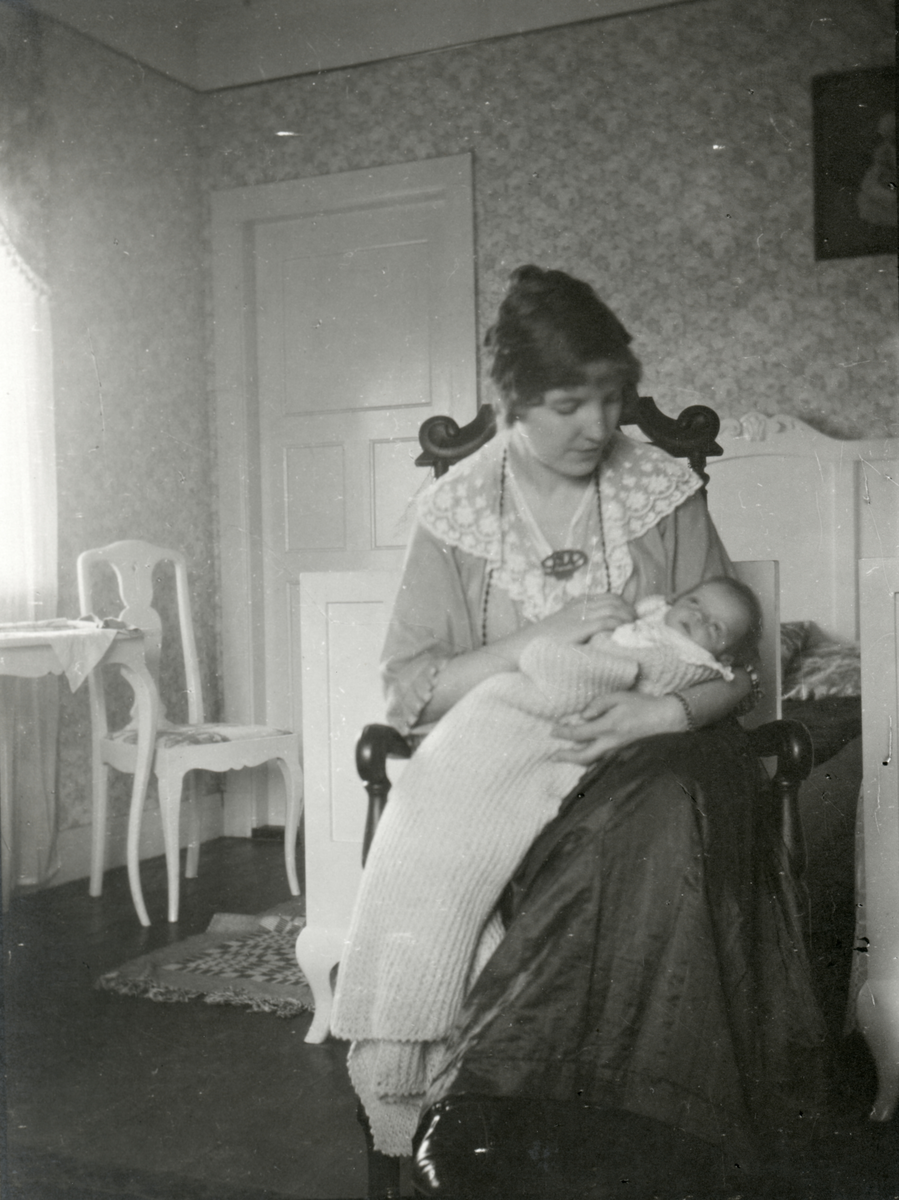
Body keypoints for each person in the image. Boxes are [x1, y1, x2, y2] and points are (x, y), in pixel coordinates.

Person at [332, 266, 826, 1194]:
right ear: (512, 403)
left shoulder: (659, 492)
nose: (597, 427)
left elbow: (736, 672)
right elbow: (413, 699)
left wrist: (659, 710)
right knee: (614, 832)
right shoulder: (456, 515)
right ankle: (572, 1126)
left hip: (664, 758)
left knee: (660, 801)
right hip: (520, 777)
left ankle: (510, 1111)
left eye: (609, 398)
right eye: (567, 405)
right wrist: (536, 640)